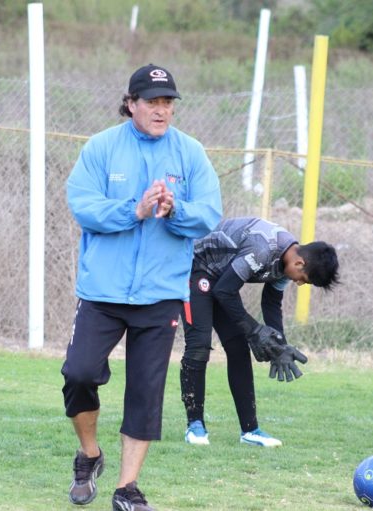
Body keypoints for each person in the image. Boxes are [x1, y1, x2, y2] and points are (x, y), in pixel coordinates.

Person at [61, 64, 223, 511]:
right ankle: (90, 454)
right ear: (130, 103)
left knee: (145, 392)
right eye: (152, 101)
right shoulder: (101, 148)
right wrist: (134, 211)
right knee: (78, 374)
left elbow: (209, 213)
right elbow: (83, 206)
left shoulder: (190, 153)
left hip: (161, 293)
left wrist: (175, 211)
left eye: (168, 102)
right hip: (103, 293)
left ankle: (126, 488)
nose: (161, 109)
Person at [179, 216, 339, 447]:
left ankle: (250, 431)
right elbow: (225, 291)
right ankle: (195, 426)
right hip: (196, 268)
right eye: (304, 279)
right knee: (199, 345)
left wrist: (279, 345)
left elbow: (271, 303)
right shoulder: (263, 249)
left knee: (238, 348)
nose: (300, 283)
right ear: (300, 264)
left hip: (221, 280)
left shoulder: (288, 263)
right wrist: (255, 331)